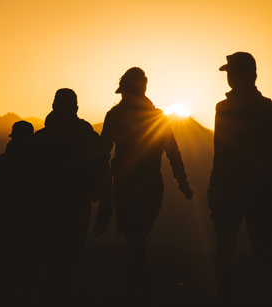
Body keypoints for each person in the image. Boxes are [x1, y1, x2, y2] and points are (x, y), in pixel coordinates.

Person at [100, 67, 193, 294]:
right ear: (143, 87)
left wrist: (100, 189)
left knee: (135, 238)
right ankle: (141, 286)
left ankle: (138, 287)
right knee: (137, 236)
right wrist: (183, 183)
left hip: (125, 186)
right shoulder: (156, 116)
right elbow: (173, 152)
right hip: (150, 185)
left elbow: (101, 153)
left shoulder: (115, 116)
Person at [34, 88, 109, 304]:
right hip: (75, 209)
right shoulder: (88, 137)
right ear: (76, 108)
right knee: (68, 264)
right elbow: (102, 171)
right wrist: (105, 205)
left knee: (51, 265)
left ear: (53, 106)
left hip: (46, 212)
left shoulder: (40, 139)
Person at [208, 52, 272, 302]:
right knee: (262, 249)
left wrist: (215, 188)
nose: (230, 78)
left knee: (225, 249)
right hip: (262, 189)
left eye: (232, 72)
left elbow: (220, 152)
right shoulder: (267, 108)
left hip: (230, 189)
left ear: (249, 75)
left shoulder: (224, 108)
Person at [0, 120, 37, 304]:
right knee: (29, 278)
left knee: (7, 274)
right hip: (33, 228)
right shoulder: (39, 165)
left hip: (7, 226)